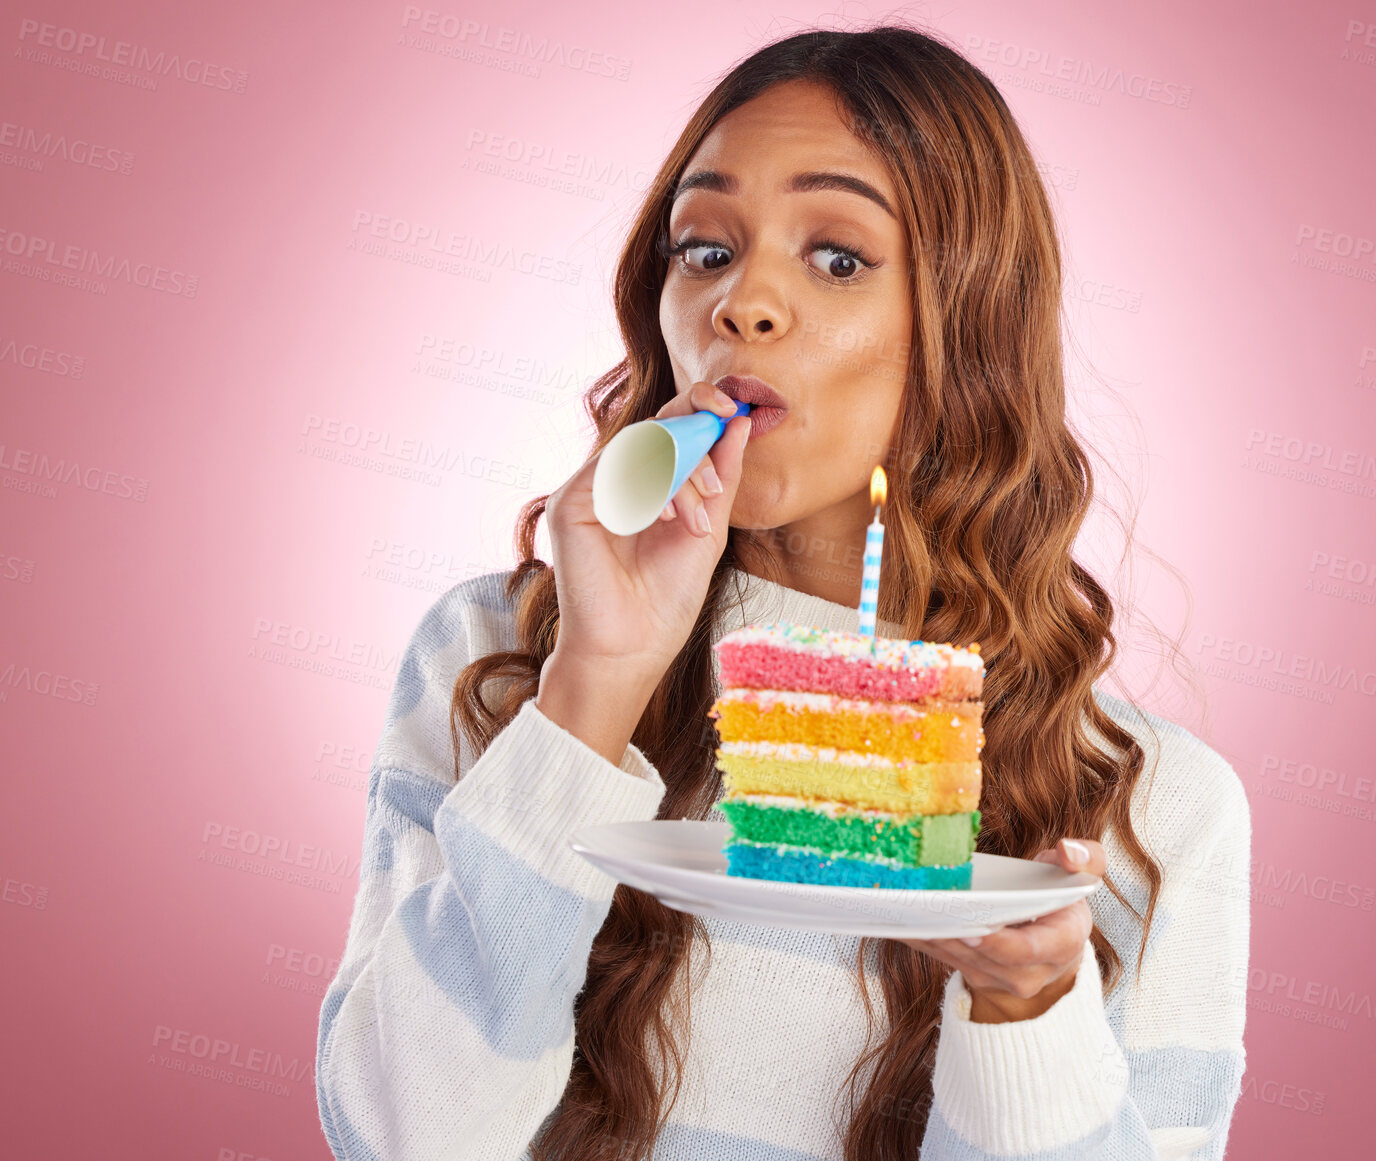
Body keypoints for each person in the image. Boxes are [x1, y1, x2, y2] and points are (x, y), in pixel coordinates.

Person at [315, 23, 1249, 1161]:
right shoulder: (500, 659)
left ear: (973, 321)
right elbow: (401, 1137)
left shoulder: (1154, 810)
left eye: (839, 256)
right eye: (704, 248)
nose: (741, 305)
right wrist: (596, 688)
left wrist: (1024, 1018)